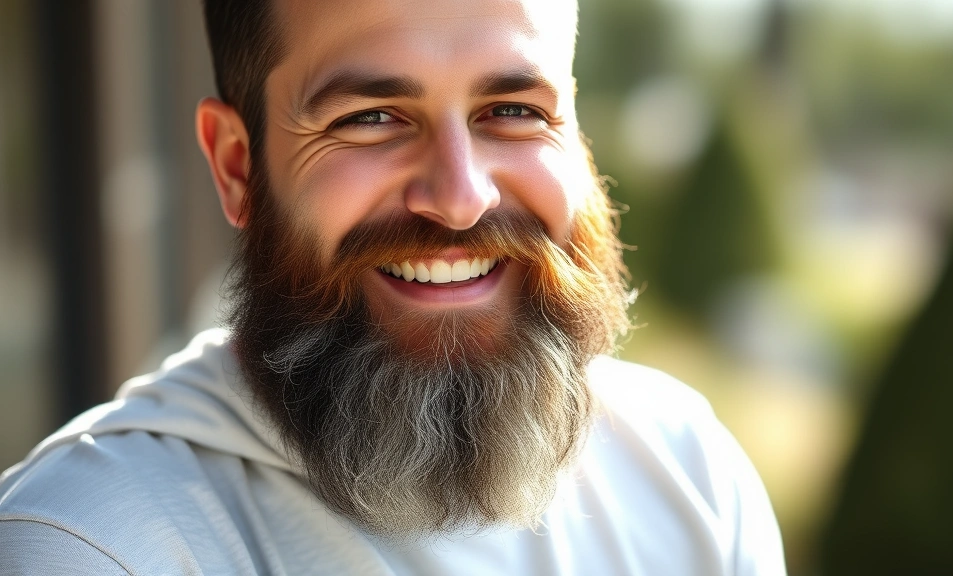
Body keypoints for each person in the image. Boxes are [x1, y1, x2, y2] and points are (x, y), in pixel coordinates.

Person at [0, 0, 786, 573]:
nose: (459, 197)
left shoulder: (688, 476)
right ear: (237, 165)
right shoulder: (90, 548)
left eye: (513, 109)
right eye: (372, 117)